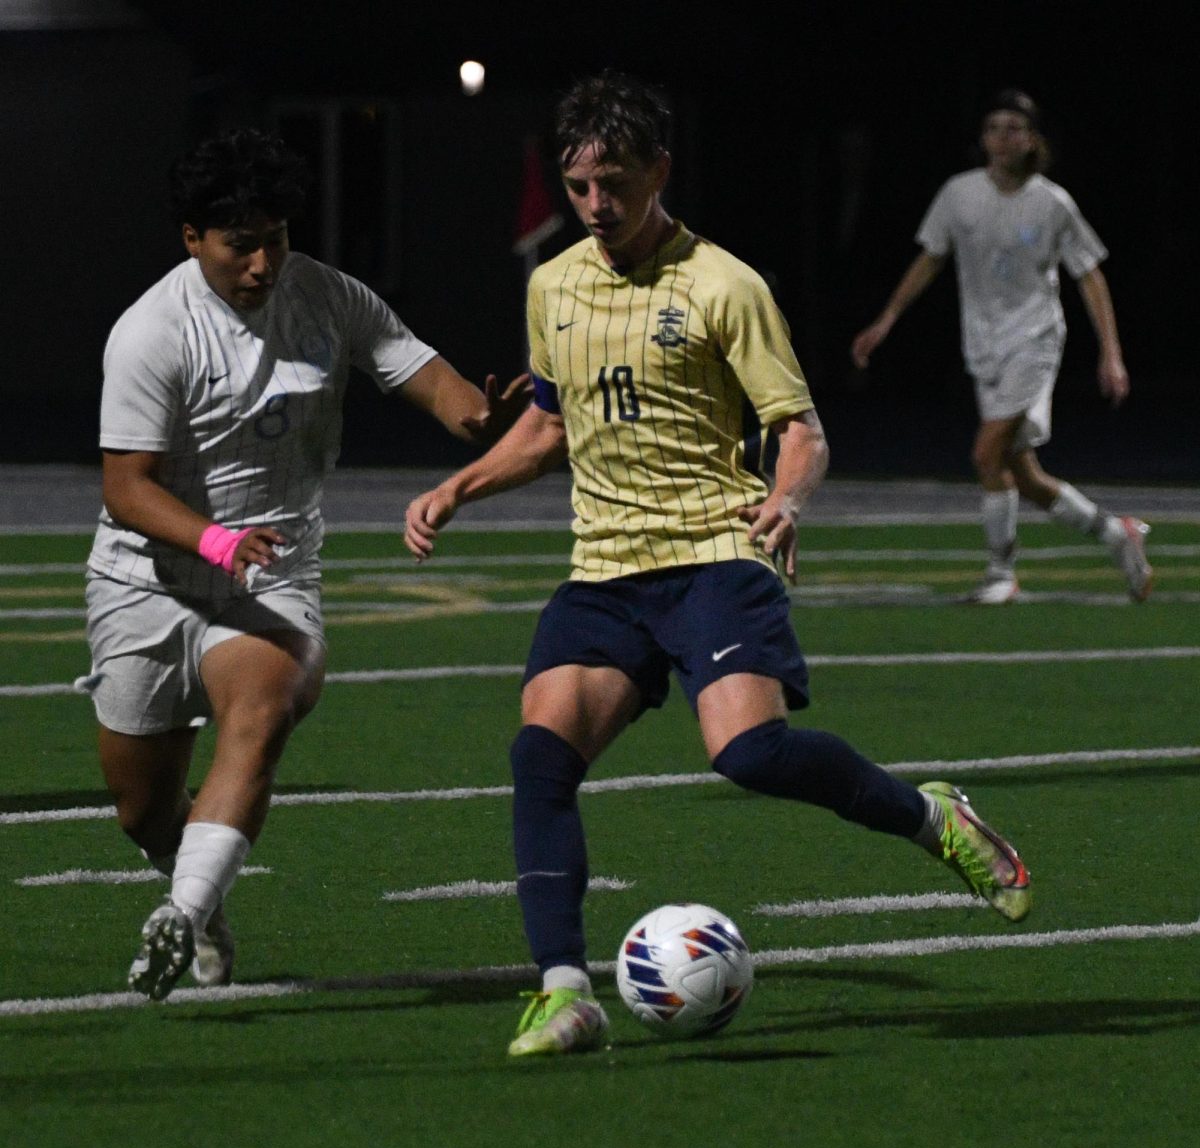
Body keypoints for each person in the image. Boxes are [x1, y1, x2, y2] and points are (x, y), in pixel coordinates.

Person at [404, 71, 1032, 1059]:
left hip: (713, 554)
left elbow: (800, 429)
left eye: (614, 182)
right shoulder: (553, 285)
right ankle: (564, 990)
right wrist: (461, 487)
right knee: (540, 755)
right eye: (579, 187)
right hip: (607, 568)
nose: (597, 206)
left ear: (660, 169)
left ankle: (932, 817)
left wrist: (786, 498)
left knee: (750, 755)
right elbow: (547, 427)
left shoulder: (725, 286)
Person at [82, 127, 527, 1001]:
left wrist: (480, 417)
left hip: (271, 574)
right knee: (140, 809)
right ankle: (195, 895)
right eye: (238, 243)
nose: (261, 261)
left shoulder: (326, 296)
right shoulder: (150, 332)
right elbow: (127, 489)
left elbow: (419, 369)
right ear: (193, 239)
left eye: (274, 237)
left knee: (261, 711)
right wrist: (214, 539)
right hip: (147, 578)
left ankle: (180, 916)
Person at [851, 89, 1151, 604]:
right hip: (985, 345)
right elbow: (931, 258)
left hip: (1036, 340)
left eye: (1015, 127)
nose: (1003, 137)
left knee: (985, 452)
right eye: (994, 127)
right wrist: (886, 319)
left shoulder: (1052, 202)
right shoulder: (959, 194)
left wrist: (1112, 352)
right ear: (983, 139)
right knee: (1022, 474)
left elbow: (1090, 276)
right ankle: (1115, 532)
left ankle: (1000, 575)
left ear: (1032, 138)